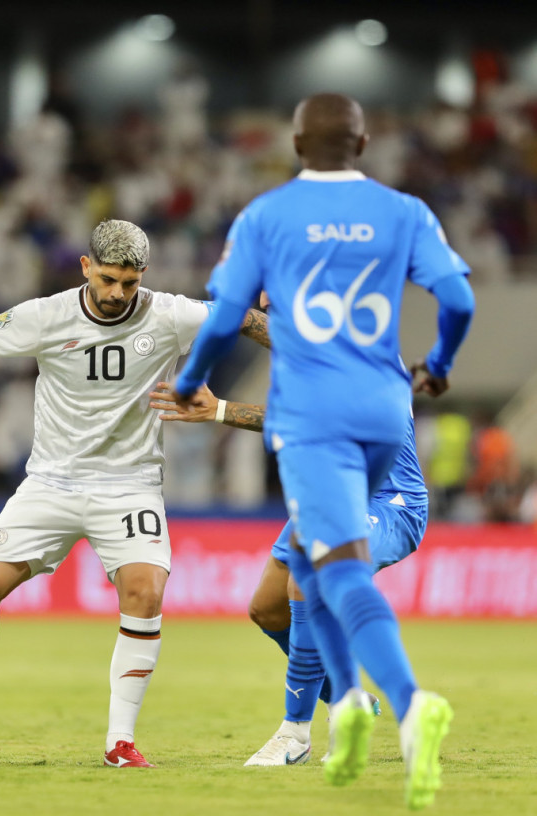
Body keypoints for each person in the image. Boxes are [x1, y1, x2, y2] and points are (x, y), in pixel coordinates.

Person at [0, 219, 269, 768]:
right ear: (86, 267)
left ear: (143, 276)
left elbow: (243, 318)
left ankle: (120, 741)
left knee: (145, 593)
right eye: (109, 279)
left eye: (130, 283)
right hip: (51, 482)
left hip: (130, 484)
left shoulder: (169, 314)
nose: (118, 293)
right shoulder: (46, 316)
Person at [171, 94, 474, 808]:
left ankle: (304, 727)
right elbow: (456, 298)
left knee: (316, 574)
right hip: (352, 446)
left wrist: (197, 389)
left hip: (388, 499)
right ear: (364, 141)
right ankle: (354, 703)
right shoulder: (401, 217)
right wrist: (441, 359)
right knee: (268, 604)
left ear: (297, 140)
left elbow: (226, 319)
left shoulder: (268, 217)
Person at [150, 377, 427, 767]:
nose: (266, 312)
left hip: (390, 502)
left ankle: (295, 734)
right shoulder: (317, 337)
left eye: (271, 309)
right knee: (266, 609)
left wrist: (222, 409)